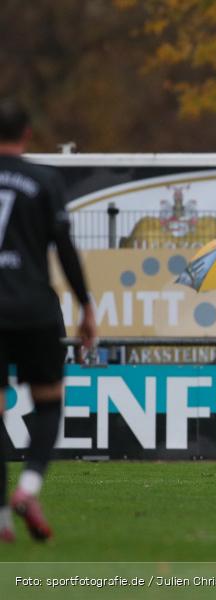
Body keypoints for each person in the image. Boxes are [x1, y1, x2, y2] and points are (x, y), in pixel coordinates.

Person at [0, 99, 96, 543]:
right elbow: (64, 246)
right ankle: (29, 486)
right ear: (28, 134)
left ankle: (2, 516)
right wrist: (86, 307)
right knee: (48, 402)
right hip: (35, 309)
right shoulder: (44, 179)